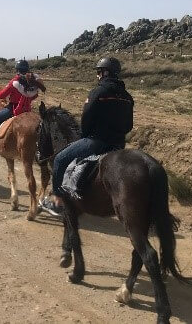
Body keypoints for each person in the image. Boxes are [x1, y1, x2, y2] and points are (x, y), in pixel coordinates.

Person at [40, 57, 133, 217]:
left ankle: (57, 201)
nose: (98, 75)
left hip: (96, 141)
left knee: (60, 159)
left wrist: (84, 135)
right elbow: (129, 125)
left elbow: (87, 117)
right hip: (118, 144)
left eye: (99, 71)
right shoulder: (127, 97)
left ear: (105, 72)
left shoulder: (98, 92)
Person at [0, 59, 46, 154]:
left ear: (17, 69)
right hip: (27, 110)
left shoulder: (14, 82)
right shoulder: (32, 82)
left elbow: (2, 95)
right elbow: (34, 96)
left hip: (13, 109)